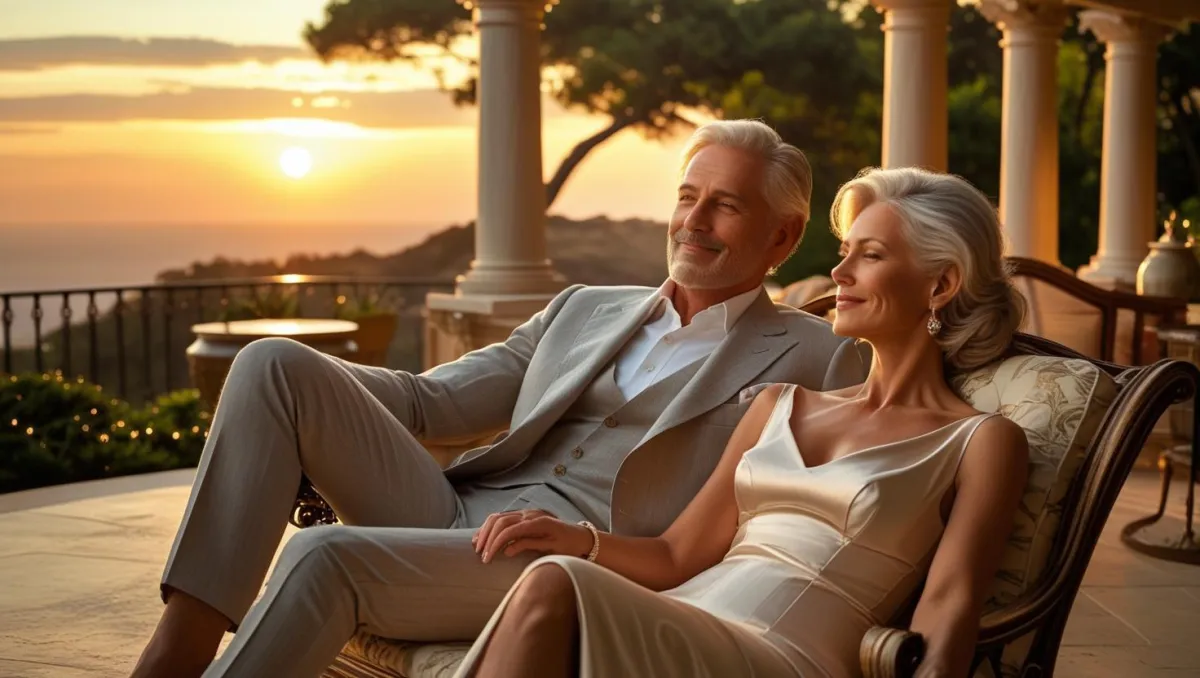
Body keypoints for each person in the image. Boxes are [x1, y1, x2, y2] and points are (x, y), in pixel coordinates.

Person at [131, 119, 871, 677]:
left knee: (324, 555)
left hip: (570, 562)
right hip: (452, 511)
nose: (694, 221)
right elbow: (431, 405)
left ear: (782, 238)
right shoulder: (585, 307)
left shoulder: (820, 356)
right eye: (687, 197)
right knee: (271, 362)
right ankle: (178, 647)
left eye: (725, 206)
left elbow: (821, 515)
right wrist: (306, 406)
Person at [457, 166, 1031, 678]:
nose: (839, 271)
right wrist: (577, 538)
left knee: (554, 582)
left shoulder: (981, 441)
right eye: (845, 251)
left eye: (871, 256)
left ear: (940, 284)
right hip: (686, 620)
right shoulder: (778, 405)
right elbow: (676, 556)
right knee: (553, 570)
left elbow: (948, 605)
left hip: (785, 655)